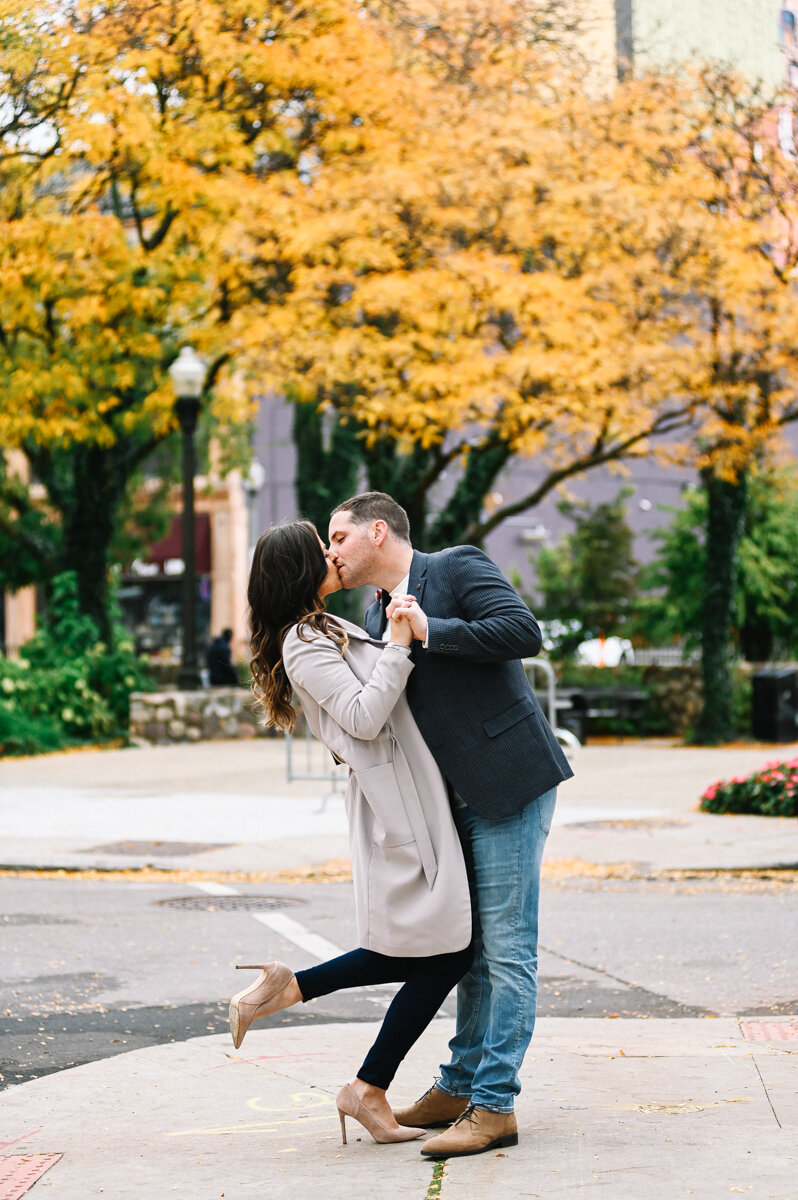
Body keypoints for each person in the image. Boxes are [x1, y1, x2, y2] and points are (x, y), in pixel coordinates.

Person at [328, 491, 574, 1159]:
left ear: (378, 532)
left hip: (509, 785)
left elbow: (524, 632)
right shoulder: (374, 611)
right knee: (464, 951)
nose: (333, 553)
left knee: (506, 952)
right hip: (449, 803)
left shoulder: (456, 568)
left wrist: (433, 628)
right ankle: (459, 1084)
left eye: (340, 538)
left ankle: (494, 1107)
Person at [232, 518, 472, 1147]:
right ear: (298, 571)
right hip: (395, 807)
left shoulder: (326, 627)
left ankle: (302, 1001)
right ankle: (363, 1083)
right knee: (446, 948)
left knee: (431, 946)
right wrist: (396, 642)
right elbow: (365, 717)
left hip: (411, 795)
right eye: (323, 550)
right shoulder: (303, 643)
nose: (334, 556)